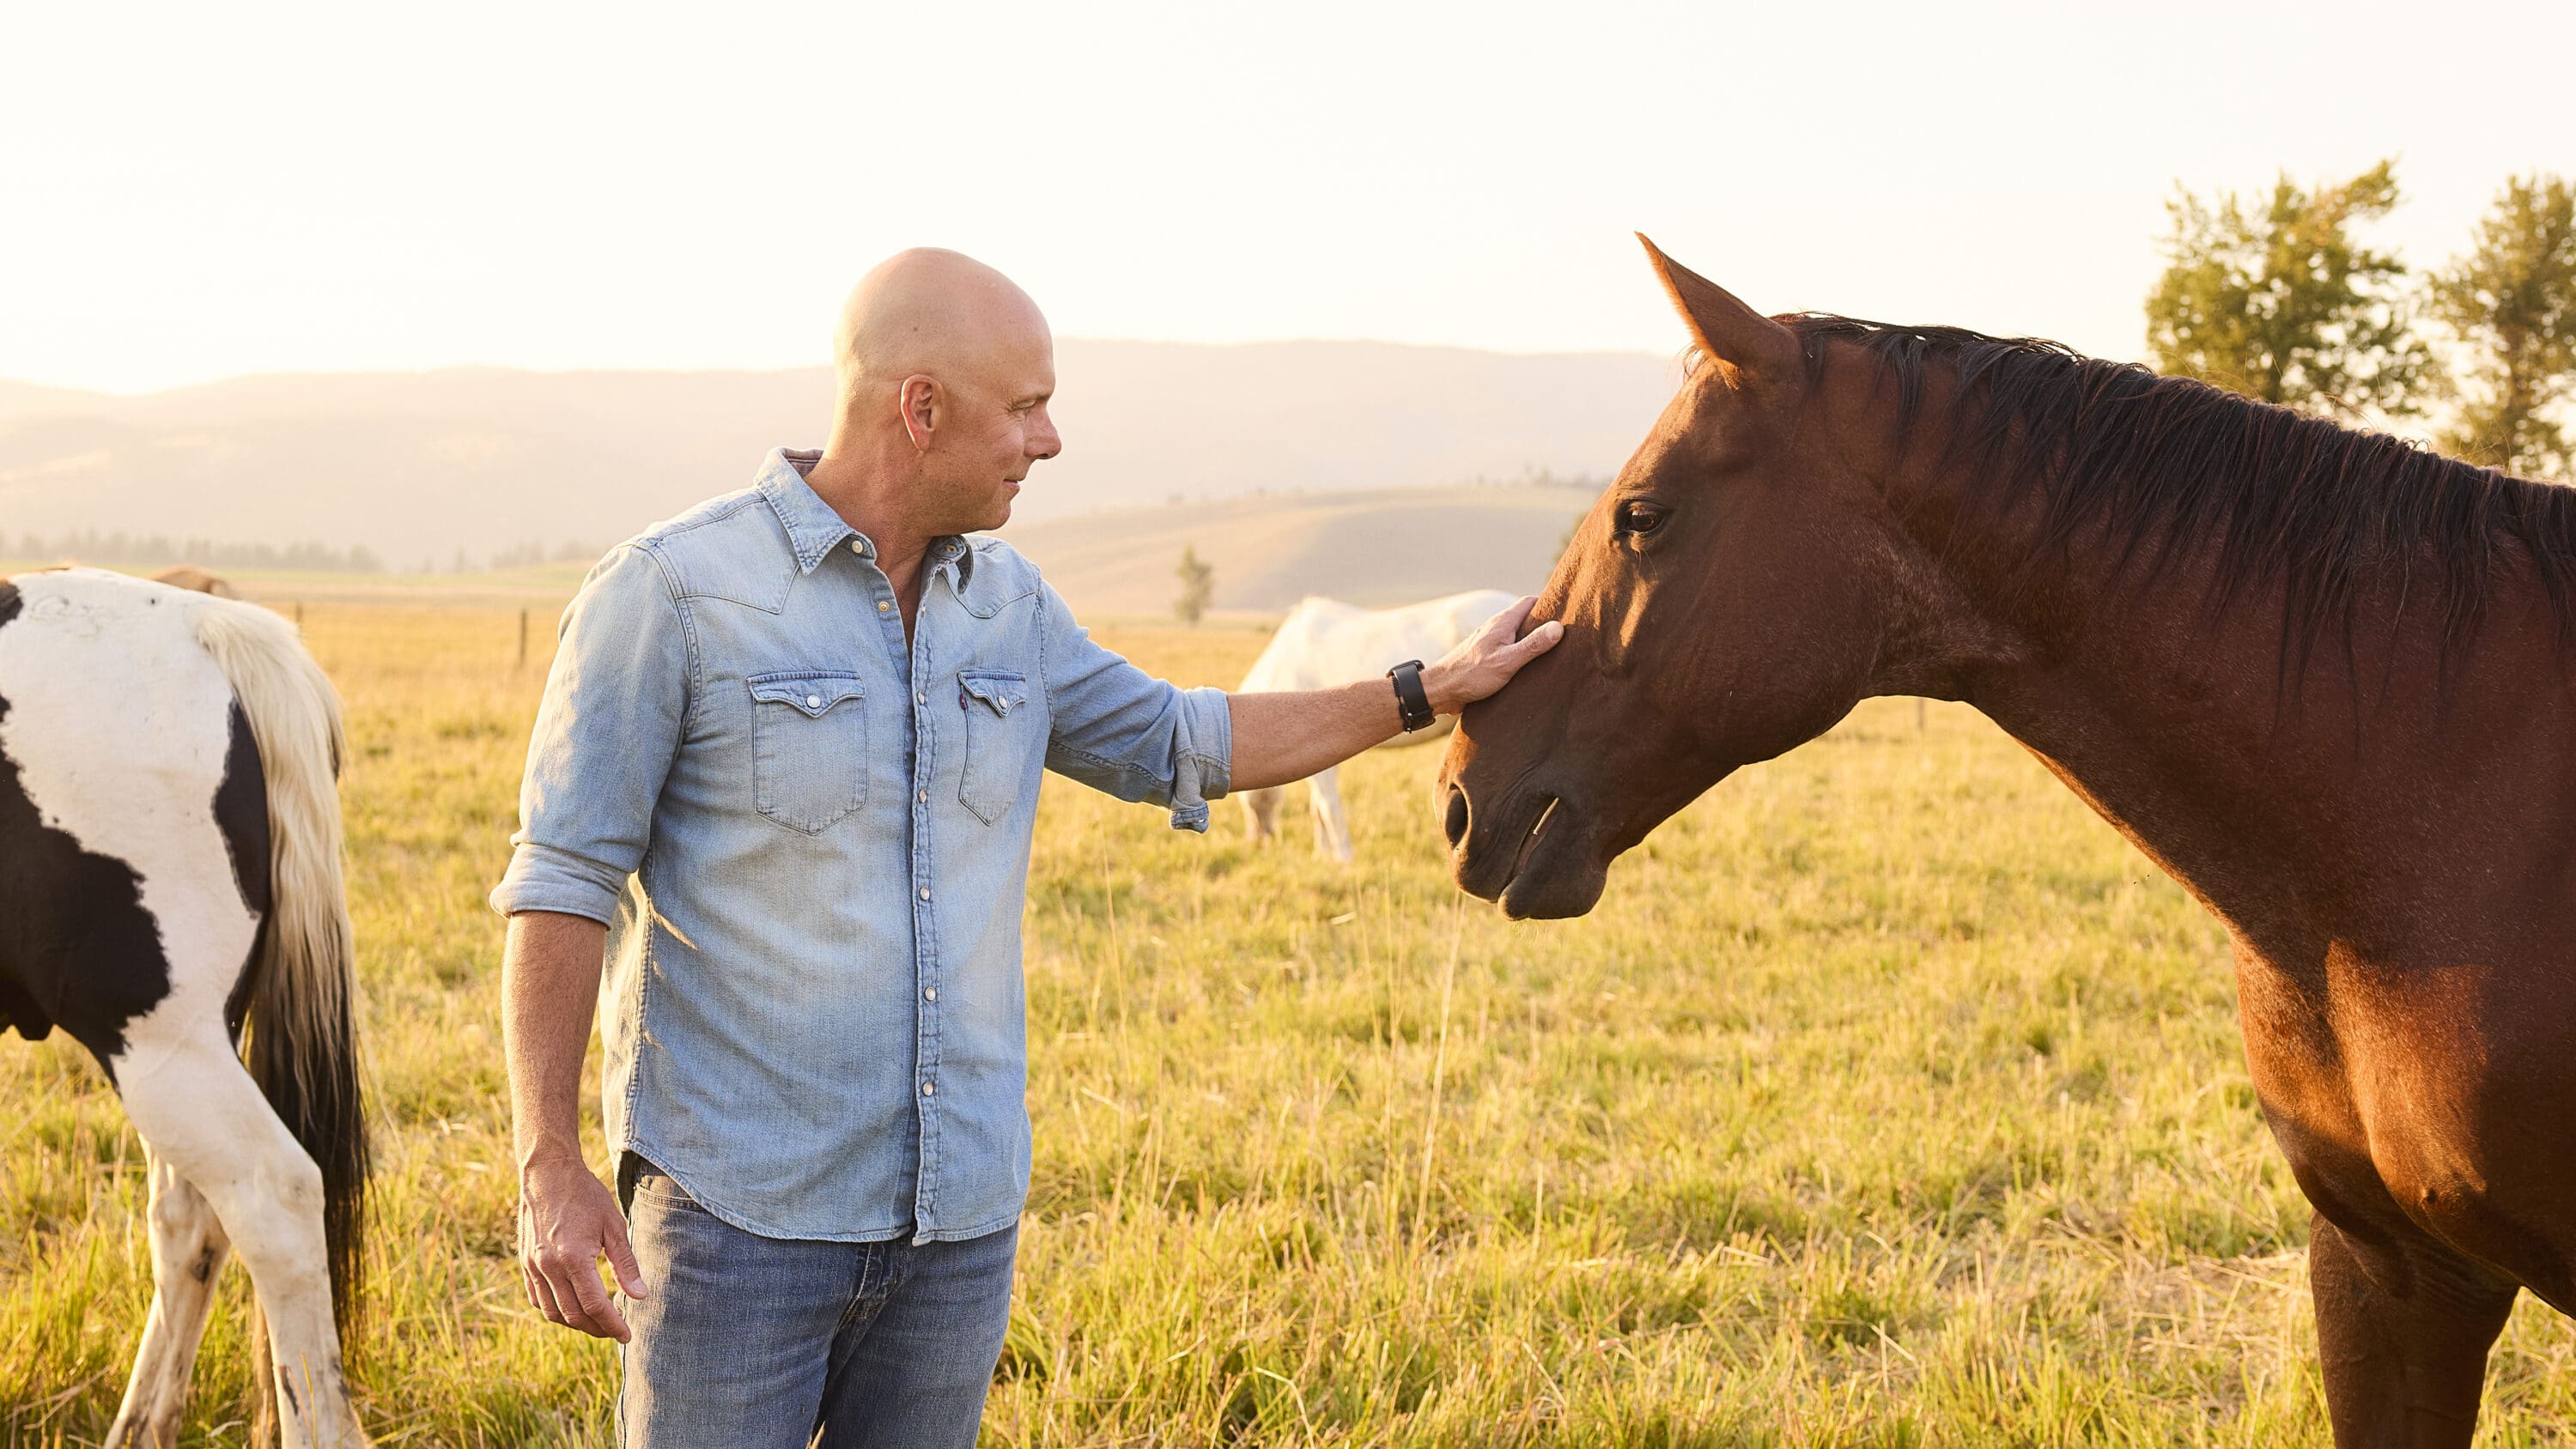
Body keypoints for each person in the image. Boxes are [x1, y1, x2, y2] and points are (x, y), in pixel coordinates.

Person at [491, 248, 1562, 1447]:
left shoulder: (1009, 607)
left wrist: (1423, 694)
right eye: (1028, 407)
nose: (1048, 442)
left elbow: (1181, 738)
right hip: (738, 1228)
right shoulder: (673, 593)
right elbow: (562, 880)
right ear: (922, 409)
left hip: (956, 1234)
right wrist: (549, 1160)